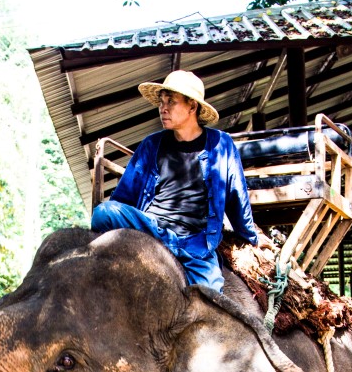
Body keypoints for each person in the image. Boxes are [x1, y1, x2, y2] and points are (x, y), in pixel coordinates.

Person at [91, 70, 258, 291]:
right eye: (161, 102)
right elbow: (124, 197)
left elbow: (237, 197)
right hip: (151, 228)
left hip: (194, 243)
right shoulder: (151, 144)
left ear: (192, 107)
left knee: (212, 294)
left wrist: (250, 237)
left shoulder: (221, 144)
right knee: (104, 212)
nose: (163, 108)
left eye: (171, 101)